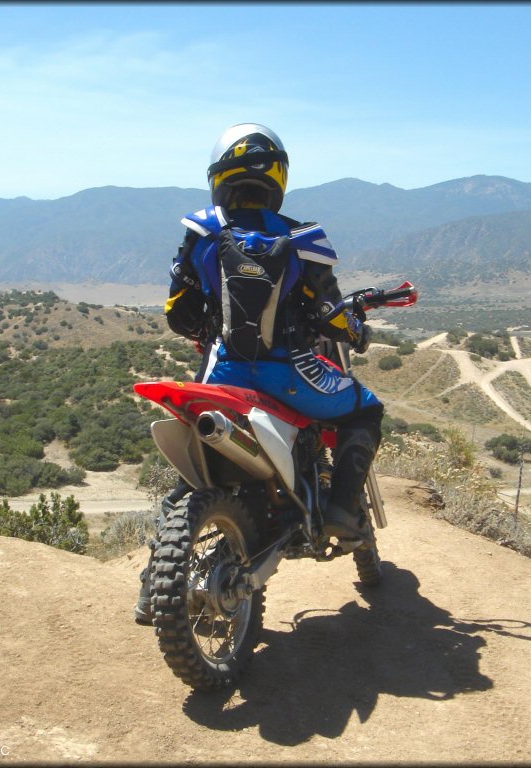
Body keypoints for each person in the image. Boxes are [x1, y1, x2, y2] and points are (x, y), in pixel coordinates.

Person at [134, 123, 383, 625]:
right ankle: (339, 511)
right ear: (277, 177)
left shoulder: (201, 231)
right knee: (367, 409)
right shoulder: (303, 238)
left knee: (194, 476)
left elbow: (178, 314)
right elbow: (330, 316)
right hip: (289, 372)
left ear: (219, 176)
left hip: (222, 375)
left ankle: (151, 588)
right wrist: (352, 327)